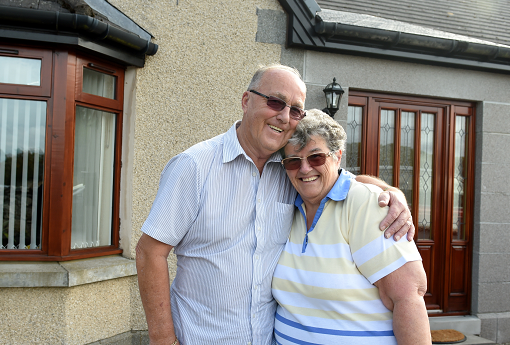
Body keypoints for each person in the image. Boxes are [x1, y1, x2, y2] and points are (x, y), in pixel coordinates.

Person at [136, 64, 415, 345]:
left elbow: (337, 177)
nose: (284, 116)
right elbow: (150, 252)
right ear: (246, 101)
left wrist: (391, 192)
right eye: (275, 102)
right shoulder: (194, 167)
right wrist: (163, 340)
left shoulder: (289, 169)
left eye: (296, 110)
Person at [272, 109, 430, 345]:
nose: (304, 169)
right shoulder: (290, 204)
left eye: (316, 157)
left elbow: (408, 297)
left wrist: (385, 191)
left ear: (337, 156)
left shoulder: (366, 204)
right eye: (293, 161)